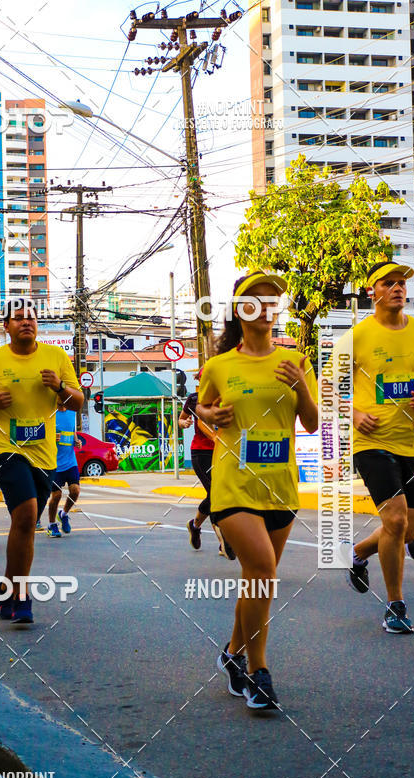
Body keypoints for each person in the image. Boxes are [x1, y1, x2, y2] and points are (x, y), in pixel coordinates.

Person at [197, 271, 318, 711]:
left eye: (273, 301)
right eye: (256, 300)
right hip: (233, 485)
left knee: (257, 580)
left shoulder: (297, 361)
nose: (266, 308)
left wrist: (300, 386)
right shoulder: (220, 365)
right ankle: (258, 671)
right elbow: (202, 410)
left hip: (281, 488)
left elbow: (311, 422)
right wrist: (212, 414)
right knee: (264, 568)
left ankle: (231, 653)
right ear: (239, 308)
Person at [0, 299, 83, 624]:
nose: (25, 322)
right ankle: (21, 594)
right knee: (29, 513)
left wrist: (59, 387)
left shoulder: (56, 357)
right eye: (17, 318)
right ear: (6, 327)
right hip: (6, 449)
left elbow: (78, 402)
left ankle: (6, 586)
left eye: (30, 317)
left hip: (44, 456)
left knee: (26, 524)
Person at [346, 260, 414, 634]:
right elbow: (330, 390)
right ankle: (395, 605)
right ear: (371, 290)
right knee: (393, 519)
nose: (398, 288)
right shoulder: (355, 338)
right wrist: (355, 413)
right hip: (372, 441)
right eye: (389, 283)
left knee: (408, 530)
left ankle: (360, 552)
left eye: (402, 283)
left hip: (413, 442)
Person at [179, 370, 235, 559]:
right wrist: (184, 423)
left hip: (224, 453)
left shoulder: (227, 397)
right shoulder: (194, 399)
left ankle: (194, 526)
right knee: (215, 494)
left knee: (218, 494)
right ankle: (223, 542)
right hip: (201, 452)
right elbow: (181, 418)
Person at [46, 401, 82, 538]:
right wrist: (51, 438)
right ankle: (51, 524)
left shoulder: (72, 413)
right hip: (54, 463)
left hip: (70, 461)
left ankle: (64, 513)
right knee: (56, 495)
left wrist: (77, 441)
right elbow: (41, 434)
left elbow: (73, 433)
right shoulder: (50, 414)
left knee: (75, 491)